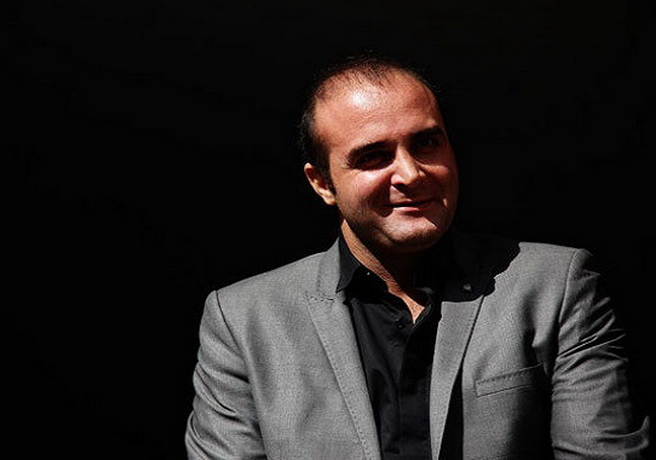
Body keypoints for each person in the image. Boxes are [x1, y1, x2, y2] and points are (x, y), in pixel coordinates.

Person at [184, 54, 650, 459]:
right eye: (373, 156)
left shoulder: (555, 285)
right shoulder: (243, 320)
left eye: (426, 143)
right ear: (322, 183)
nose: (410, 173)